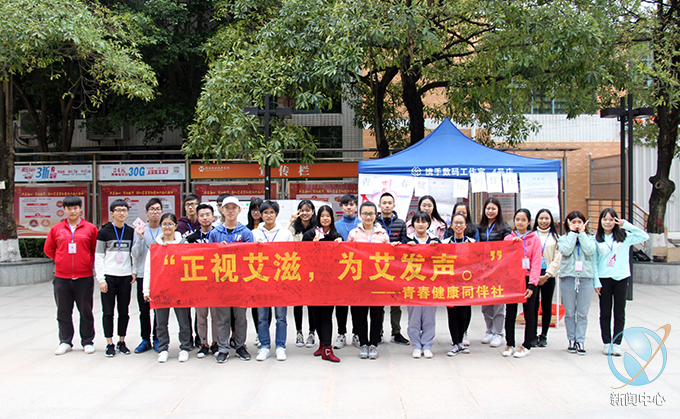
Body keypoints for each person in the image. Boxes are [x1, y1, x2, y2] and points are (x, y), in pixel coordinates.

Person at [44, 195, 99, 356]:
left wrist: (87, 261)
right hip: (62, 277)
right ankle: (65, 341)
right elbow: (49, 249)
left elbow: (95, 249)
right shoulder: (56, 229)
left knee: (86, 311)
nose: (72, 211)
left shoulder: (90, 228)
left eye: (75, 208)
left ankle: (87, 341)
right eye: (69, 208)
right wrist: (61, 260)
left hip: (84, 277)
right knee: (63, 311)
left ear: (80, 209)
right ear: (64, 210)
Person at [594, 208, 648, 357]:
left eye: (611, 219)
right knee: (605, 312)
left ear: (616, 221)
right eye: (605, 219)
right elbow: (594, 262)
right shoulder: (596, 239)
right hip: (604, 279)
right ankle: (606, 342)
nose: (608, 222)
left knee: (619, 312)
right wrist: (596, 282)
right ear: (600, 221)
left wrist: (627, 225)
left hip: (621, 278)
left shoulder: (625, 236)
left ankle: (617, 343)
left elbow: (644, 236)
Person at [207, 196, 254, 363]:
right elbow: (208, 257)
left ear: (239, 210)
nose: (230, 211)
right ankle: (223, 348)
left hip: (241, 283)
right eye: (227, 208)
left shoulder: (246, 232)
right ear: (222, 210)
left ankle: (240, 346)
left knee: (240, 317)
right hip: (222, 283)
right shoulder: (215, 233)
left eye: (234, 207)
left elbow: (251, 257)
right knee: (222, 318)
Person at [142, 213, 191, 363]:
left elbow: (190, 266)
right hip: (160, 288)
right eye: (164, 224)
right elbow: (148, 269)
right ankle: (163, 348)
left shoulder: (184, 244)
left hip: (180, 289)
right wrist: (146, 290)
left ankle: (185, 347)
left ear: (176, 226)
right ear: (161, 226)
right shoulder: (155, 246)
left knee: (183, 321)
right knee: (161, 321)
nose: (167, 227)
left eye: (170, 224)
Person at [95, 199, 138, 357]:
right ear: (112, 213)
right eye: (118, 210)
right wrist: (101, 279)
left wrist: (133, 271)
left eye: (124, 210)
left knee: (124, 311)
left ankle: (121, 341)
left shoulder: (131, 231)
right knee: (108, 312)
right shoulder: (104, 232)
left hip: (125, 277)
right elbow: (99, 256)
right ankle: (109, 343)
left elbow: (134, 254)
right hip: (109, 277)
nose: (121, 213)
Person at [347, 201, 390, 359]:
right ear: (360, 215)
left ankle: (374, 344)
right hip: (359, 281)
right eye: (365, 213)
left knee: (377, 313)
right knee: (360, 313)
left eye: (371, 214)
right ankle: (363, 343)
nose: (368, 217)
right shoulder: (353, 233)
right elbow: (348, 256)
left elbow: (389, 257)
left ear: (376, 215)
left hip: (378, 280)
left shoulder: (383, 234)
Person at [252, 200, 294, 361]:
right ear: (260, 215)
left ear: (277, 214)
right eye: (265, 213)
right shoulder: (254, 233)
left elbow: (292, 255)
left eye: (271, 213)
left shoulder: (285, 234)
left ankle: (281, 346)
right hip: (260, 281)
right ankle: (264, 346)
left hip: (279, 281)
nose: (268, 216)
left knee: (281, 317)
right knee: (262, 317)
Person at [396, 211, 440, 358]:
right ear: (413, 224)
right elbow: (397, 259)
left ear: (429, 224)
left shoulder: (435, 241)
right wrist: (403, 247)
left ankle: (427, 345)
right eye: (417, 221)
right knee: (414, 318)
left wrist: (437, 248)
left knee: (429, 318)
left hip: (430, 287)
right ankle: (416, 345)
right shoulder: (407, 240)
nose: (420, 224)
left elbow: (444, 260)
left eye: (424, 221)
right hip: (412, 287)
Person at [303, 205, 342, 362]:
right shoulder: (309, 234)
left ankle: (327, 348)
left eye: (328, 216)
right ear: (318, 218)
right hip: (313, 282)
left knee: (326, 315)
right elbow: (302, 257)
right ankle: (321, 344)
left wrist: (340, 243)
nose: (325, 218)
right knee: (316, 315)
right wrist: (312, 246)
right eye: (322, 216)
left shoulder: (336, 236)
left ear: (332, 218)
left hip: (329, 284)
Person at [502, 209, 541, 358]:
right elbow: (503, 260)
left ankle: (527, 345)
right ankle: (510, 343)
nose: (520, 222)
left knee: (529, 313)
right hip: (512, 279)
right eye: (517, 219)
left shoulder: (534, 239)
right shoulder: (508, 238)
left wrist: (532, 284)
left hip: (528, 279)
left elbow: (536, 262)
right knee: (510, 313)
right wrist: (512, 245)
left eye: (523, 220)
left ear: (529, 222)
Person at [558, 210, 597, 355]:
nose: (576, 225)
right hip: (568, 277)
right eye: (573, 222)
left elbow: (590, 250)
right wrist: (573, 234)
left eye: (579, 222)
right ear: (568, 224)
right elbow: (566, 250)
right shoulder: (563, 238)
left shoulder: (590, 238)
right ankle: (571, 340)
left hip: (585, 278)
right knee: (569, 312)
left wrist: (581, 234)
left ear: (584, 223)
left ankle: (580, 340)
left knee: (582, 313)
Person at [185, 203, 220, 358]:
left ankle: (216, 343)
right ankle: (203, 343)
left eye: (208, 215)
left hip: (216, 282)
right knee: (201, 316)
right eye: (202, 215)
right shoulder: (191, 238)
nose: (205, 218)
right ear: (197, 218)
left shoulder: (219, 235)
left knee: (216, 316)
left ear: (213, 217)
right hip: (198, 283)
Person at [130, 198, 163, 354]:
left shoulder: (165, 229)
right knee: (144, 310)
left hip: (160, 276)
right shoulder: (140, 230)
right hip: (144, 275)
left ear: (162, 212)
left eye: (157, 209)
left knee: (158, 309)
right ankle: (145, 339)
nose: (155, 212)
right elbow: (135, 254)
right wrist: (140, 238)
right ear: (146, 212)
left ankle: (157, 338)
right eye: (152, 209)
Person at [376, 192, 410, 346]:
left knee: (396, 302)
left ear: (394, 205)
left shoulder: (401, 223)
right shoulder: (374, 222)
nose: (387, 206)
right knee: (379, 302)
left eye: (390, 203)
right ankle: (378, 332)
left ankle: (396, 333)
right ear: (379, 205)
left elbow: (404, 243)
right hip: (379, 267)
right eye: (384, 203)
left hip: (396, 269)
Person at [444, 202, 479, 346]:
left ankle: (462, 339)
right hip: (450, 283)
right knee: (452, 314)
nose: (458, 226)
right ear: (451, 226)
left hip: (466, 283)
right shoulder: (444, 243)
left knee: (464, 313)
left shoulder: (472, 243)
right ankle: (455, 342)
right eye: (456, 223)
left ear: (466, 226)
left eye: (461, 223)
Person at [478, 197, 511, 348]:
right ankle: (489, 330)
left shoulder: (504, 228)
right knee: (485, 304)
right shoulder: (480, 227)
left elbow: (508, 245)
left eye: (493, 208)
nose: (490, 211)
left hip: (498, 271)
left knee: (498, 303)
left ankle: (498, 333)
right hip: (483, 272)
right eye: (488, 208)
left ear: (498, 210)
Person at [287, 200, 317, 348]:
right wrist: (291, 221)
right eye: (302, 210)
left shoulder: (317, 228)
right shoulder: (293, 228)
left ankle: (312, 332)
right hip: (296, 270)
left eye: (308, 210)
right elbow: (282, 238)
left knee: (312, 303)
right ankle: (299, 332)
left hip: (313, 271)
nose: (305, 213)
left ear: (313, 212)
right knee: (297, 303)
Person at [333, 194, 361, 349]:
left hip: (359, 271)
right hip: (341, 271)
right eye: (345, 205)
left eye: (351, 204)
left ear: (356, 206)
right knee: (341, 305)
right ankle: (341, 334)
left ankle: (357, 334)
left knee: (357, 305)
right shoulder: (335, 226)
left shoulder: (362, 224)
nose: (349, 207)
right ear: (341, 207)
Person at [532, 208, 561, 348]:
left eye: (547, 218)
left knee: (546, 305)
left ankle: (543, 335)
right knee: (532, 305)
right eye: (541, 218)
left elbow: (557, 258)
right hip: (533, 274)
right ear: (536, 220)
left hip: (548, 275)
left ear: (551, 220)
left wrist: (548, 274)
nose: (544, 221)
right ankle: (532, 334)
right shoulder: (531, 236)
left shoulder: (556, 238)